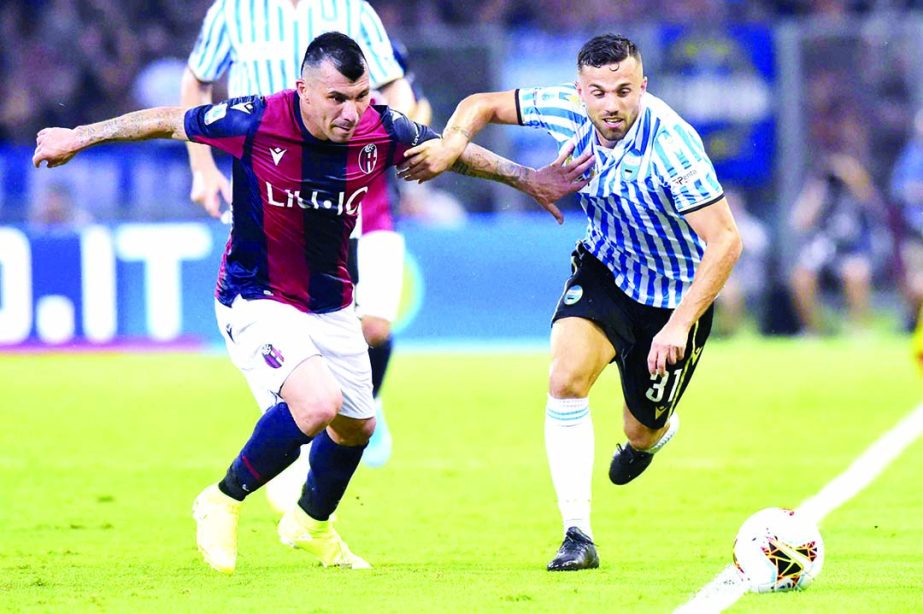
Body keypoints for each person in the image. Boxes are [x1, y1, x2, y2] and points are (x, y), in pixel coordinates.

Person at [33, 32, 590, 574]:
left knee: (357, 427)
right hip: (255, 296)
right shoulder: (253, 119)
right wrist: (76, 135)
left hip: (330, 302)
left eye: (361, 97)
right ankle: (222, 500)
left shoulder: (379, 127)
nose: (351, 112)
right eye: (337, 99)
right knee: (317, 404)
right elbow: (163, 120)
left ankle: (310, 524)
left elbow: (454, 152)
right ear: (302, 89)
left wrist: (527, 177)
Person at [400, 33, 742, 571]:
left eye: (625, 91)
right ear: (579, 91)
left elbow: (725, 241)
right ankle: (577, 536)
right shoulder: (562, 107)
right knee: (565, 379)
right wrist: (449, 144)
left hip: (673, 300)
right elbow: (480, 105)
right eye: (599, 92)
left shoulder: (673, 146)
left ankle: (651, 438)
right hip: (606, 268)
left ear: (643, 87)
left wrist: (678, 327)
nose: (612, 105)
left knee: (641, 426)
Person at [181, 0, 417, 489]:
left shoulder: (352, 11)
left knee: (368, 324)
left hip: (342, 187)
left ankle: (356, 404)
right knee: (268, 302)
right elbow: (197, 82)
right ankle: (291, 426)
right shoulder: (233, 11)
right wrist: (202, 170)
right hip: (266, 183)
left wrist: (387, 149)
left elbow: (397, 88)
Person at [789, 152, 881, 335]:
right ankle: (813, 331)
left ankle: (860, 329)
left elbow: (873, 205)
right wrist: (816, 193)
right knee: (801, 276)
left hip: (852, 250)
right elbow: (799, 222)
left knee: (856, 272)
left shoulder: (858, 192)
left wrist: (850, 175)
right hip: (824, 251)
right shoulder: (821, 188)